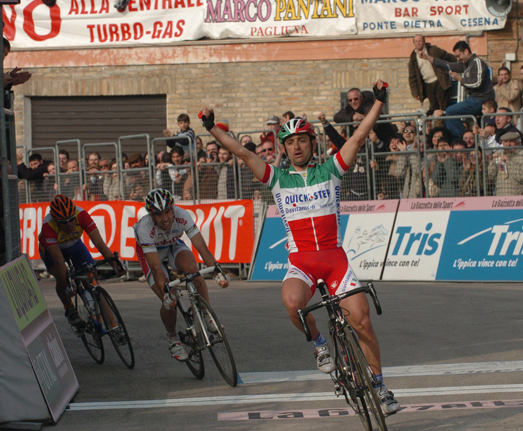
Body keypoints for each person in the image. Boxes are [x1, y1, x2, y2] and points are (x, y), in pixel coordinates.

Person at [198, 80, 400, 415]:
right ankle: (321, 345)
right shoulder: (277, 178)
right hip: (302, 263)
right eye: (290, 142)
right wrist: (210, 128)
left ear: (311, 143)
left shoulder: (330, 170)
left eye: (302, 140)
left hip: (335, 260)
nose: (296, 147)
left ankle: (381, 387)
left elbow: (359, 136)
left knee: (362, 322)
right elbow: (243, 152)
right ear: (284, 147)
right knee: (293, 304)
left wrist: (378, 101)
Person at [133, 189, 228, 361]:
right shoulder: (144, 228)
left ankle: (206, 314)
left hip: (172, 245)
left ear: (172, 208)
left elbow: (202, 248)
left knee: (192, 269)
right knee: (170, 300)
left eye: (168, 211)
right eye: (159, 214)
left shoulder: (182, 215)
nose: (165, 218)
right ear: (151, 216)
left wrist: (216, 272)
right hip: (152, 255)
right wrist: (166, 291)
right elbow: (156, 267)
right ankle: (173, 339)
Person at [38, 195, 125, 329]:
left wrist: (115, 263)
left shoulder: (82, 214)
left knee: (92, 279)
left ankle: (114, 325)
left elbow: (100, 244)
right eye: (64, 222)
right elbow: (59, 261)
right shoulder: (48, 226)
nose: (69, 224)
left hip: (75, 245)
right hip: (53, 251)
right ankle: (69, 308)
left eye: (72, 220)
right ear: (56, 221)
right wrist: (68, 284)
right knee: (62, 278)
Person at [419, 40, 495, 140]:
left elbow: (477, 83)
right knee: (450, 112)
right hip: (474, 98)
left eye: (459, 56)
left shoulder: (477, 62)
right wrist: (427, 58)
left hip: (482, 99)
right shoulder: (465, 64)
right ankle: (464, 137)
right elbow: (447, 65)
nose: (458, 59)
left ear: (466, 51)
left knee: (450, 111)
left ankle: (463, 138)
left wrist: (459, 79)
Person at [408, 34, 457, 115]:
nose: (418, 43)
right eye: (416, 41)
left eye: (419, 41)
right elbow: (412, 77)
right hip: (428, 85)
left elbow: (447, 56)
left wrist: (459, 61)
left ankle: (446, 125)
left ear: (424, 41)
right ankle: (436, 126)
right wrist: (415, 92)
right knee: (434, 108)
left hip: (440, 82)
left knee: (444, 107)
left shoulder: (433, 50)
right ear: (414, 43)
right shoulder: (413, 57)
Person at [487, 132, 523, 196]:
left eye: (511, 141)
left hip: (517, 196)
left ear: (517, 143)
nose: (508, 144)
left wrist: (509, 162)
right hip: (500, 196)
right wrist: (493, 162)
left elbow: (522, 176)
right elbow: (491, 176)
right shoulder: (501, 155)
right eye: (505, 142)